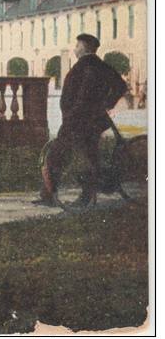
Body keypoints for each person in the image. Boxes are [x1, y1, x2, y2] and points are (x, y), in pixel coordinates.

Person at [36, 33, 129, 208]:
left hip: (78, 120)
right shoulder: (99, 65)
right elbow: (121, 86)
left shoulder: (88, 66)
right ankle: (60, 195)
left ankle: (62, 196)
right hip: (86, 120)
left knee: (65, 155)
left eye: (77, 45)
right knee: (83, 156)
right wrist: (106, 104)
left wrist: (100, 105)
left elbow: (84, 96)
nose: (75, 48)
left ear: (84, 47)